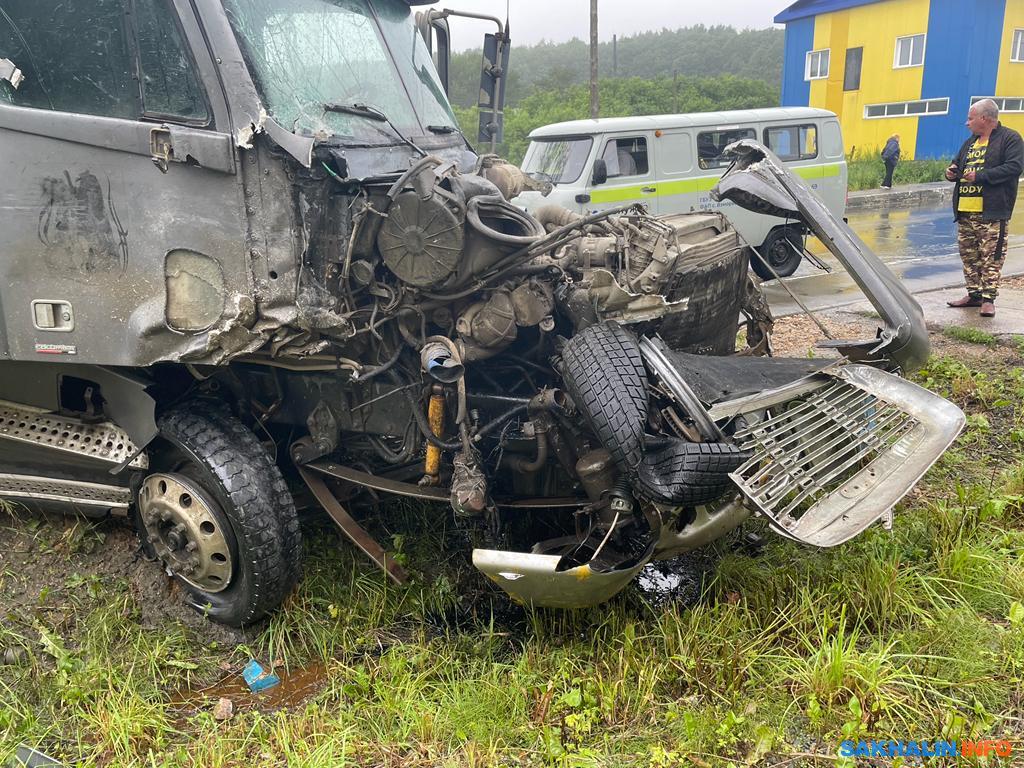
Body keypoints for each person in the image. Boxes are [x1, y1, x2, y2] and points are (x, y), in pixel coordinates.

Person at [945, 98, 1023, 318]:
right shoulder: (970, 143)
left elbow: (1014, 167)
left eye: (970, 118)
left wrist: (980, 177)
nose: (967, 123)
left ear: (985, 118)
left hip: (992, 211)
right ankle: (974, 295)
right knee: (969, 255)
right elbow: (957, 164)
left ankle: (988, 300)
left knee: (991, 257)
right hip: (965, 210)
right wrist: (951, 172)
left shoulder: (1010, 139)